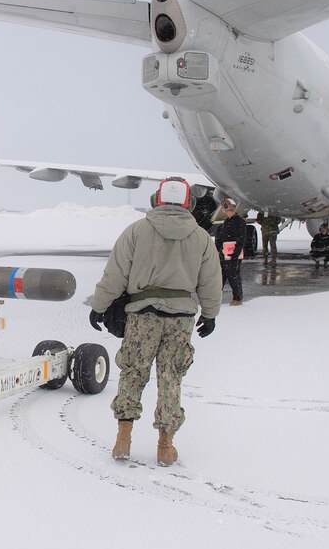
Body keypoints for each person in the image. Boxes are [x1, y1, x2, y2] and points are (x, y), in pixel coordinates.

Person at [88, 177, 222, 466]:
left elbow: (115, 275)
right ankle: (165, 446)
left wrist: (99, 306)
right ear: (189, 203)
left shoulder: (136, 231)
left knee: (133, 372)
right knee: (171, 377)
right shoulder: (201, 238)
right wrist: (210, 315)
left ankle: (123, 439)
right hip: (181, 319)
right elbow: (211, 281)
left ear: (156, 199)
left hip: (142, 316)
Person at [211, 197, 246, 306]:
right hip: (224, 254)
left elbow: (241, 239)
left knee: (233, 275)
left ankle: (238, 298)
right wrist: (217, 250)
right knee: (221, 276)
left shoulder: (239, 222)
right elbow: (221, 238)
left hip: (233, 254)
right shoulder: (226, 222)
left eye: (224, 207)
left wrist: (235, 254)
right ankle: (215, 297)